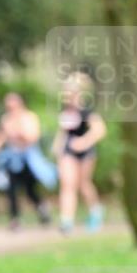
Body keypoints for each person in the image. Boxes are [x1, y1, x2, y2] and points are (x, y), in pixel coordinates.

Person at [0, 92, 54, 229]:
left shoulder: (29, 117)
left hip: (29, 159)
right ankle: (15, 219)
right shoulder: (6, 119)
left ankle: (42, 209)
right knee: (11, 189)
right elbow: (1, 135)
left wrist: (19, 132)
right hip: (13, 159)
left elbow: (33, 137)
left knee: (30, 190)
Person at [51, 72, 107, 233]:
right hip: (68, 151)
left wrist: (83, 142)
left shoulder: (86, 111)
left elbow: (100, 130)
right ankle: (66, 221)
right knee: (67, 185)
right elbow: (63, 132)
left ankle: (95, 212)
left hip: (85, 152)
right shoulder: (65, 112)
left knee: (84, 184)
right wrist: (57, 147)